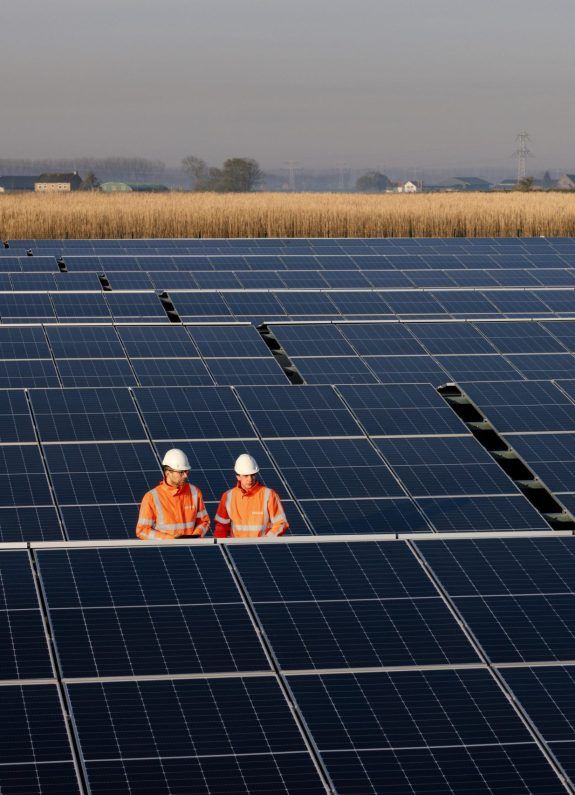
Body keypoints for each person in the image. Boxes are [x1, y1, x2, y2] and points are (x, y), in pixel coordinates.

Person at [136, 448, 210, 539]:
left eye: (186, 471)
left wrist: (194, 537)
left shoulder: (195, 492)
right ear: (167, 473)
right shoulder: (151, 497)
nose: (185, 475)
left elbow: (204, 521)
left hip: (191, 547)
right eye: (181, 472)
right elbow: (142, 530)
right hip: (166, 551)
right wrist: (169, 540)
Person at [214, 453, 289, 538]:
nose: (250, 479)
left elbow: (281, 523)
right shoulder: (228, 496)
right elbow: (221, 526)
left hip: (263, 548)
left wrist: (267, 540)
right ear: (238, 476)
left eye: (252, 475)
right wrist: (221, 544)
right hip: (237, 548)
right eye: (246, 476)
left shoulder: (269, 495)